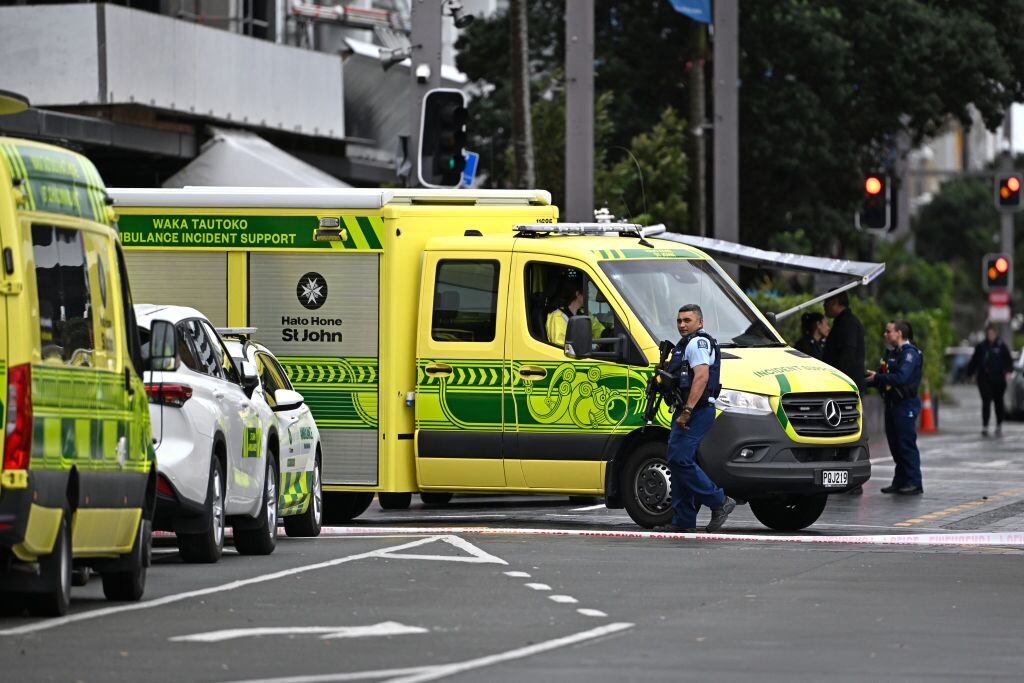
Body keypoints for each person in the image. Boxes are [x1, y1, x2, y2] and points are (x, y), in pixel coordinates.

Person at [653, 304, 736, 533]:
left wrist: (688, 410)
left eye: (687, 320)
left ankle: (719, 501)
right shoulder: (686, 344)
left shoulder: (698, 343)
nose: (682, 325)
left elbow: (701, 377)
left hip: (696, 411)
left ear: (700, 322)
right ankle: (684, 520)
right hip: (688, 410)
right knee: (679, 460)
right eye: (679, 320)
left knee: (679, 459)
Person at [866, 319, 924, 495]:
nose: (885, 334)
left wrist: (878, 378)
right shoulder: (892, 353)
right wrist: (871, 380)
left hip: (905, 405)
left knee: (906, 444)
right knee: (895, 446)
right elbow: (883, 375)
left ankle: (914, 482)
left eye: (889, 331)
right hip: (891, 404)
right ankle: (900, 481)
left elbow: (901, 378)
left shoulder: (910, 354)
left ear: (899, 333)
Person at [821, 291, 865, 493]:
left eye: (827, 303)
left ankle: (852, 480)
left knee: (847, 433)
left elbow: (847, 355)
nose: (824, 306)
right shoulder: (844, 322)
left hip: (843, 388)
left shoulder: (847, 324)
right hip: (842, 387)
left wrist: (838, 381)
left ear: (836, 303)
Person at [966, 323, 1013, 437]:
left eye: (993, 334)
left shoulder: (1001, 346)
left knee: (999, 402)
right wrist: (970, 374)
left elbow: (1008, 361)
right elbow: (974, 361)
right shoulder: (981, 346)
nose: (991, 336)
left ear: (996, 334)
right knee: (986, 402)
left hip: (999, 379)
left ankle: (998, 425)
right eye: (989, 334)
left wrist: (1008, 371)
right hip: (984, 378)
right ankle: (985, 426)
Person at [544, 278, 603, 346]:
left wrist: (605, 333)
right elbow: (560, 345)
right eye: (587, 293)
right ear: (577, 294)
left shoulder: (583, 312)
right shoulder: (557, 316)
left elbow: (597, 328)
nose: (588, 296)